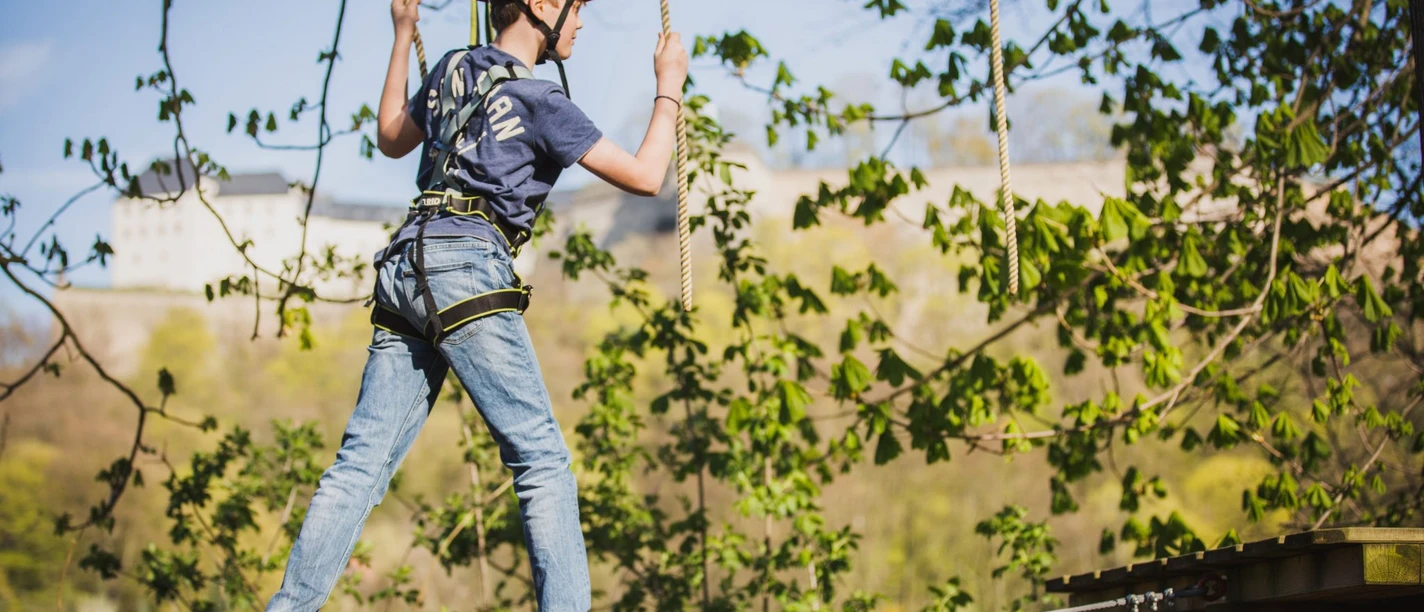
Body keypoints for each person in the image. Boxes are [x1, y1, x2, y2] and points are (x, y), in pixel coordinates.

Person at [265, 0, 688, 609]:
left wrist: (403, 33)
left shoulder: (451, 70)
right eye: (578, 8)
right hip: (466, 263)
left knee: (359, 465)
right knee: (542, 465)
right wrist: (668, 86)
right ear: (542, 7)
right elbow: (648, 177)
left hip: (406, 260)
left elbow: (390, 137)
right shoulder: (543, 102)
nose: (582, 23)